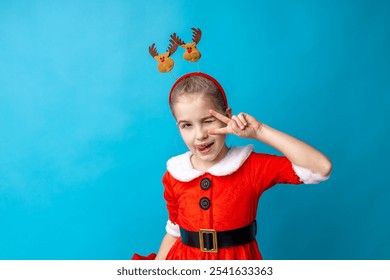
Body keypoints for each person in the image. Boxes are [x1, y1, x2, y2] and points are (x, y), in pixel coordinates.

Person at [154, 72, 332, 260]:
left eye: (208, 121)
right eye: (187, 125)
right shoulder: (175, 174)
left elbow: (321, 167)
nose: (200, 135)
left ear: (228, 116)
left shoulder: (251, 166)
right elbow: (173, 232)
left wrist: (260, 131)